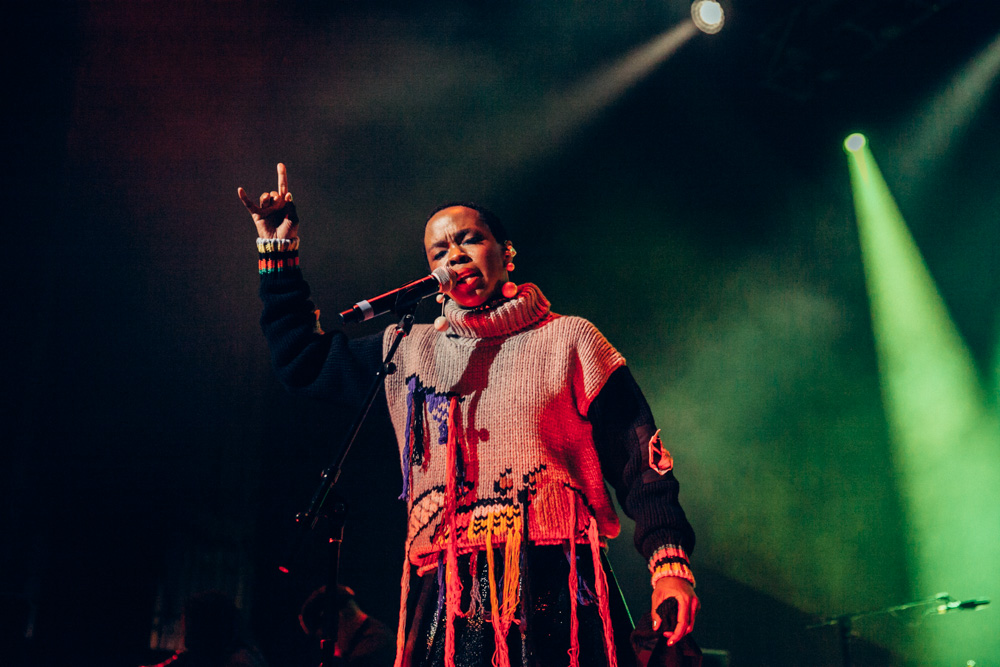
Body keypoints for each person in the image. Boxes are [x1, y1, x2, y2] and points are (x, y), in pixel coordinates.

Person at [238, 164, 698, 667]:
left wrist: (668, 563)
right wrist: (278, 252)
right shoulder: (409, 350)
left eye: (469, 240)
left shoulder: (571, 340)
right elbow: (302, 363)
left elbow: (639, 458)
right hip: (448, 588)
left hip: (556, 576)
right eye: (439, 251)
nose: (454, 255)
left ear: (506, 254)